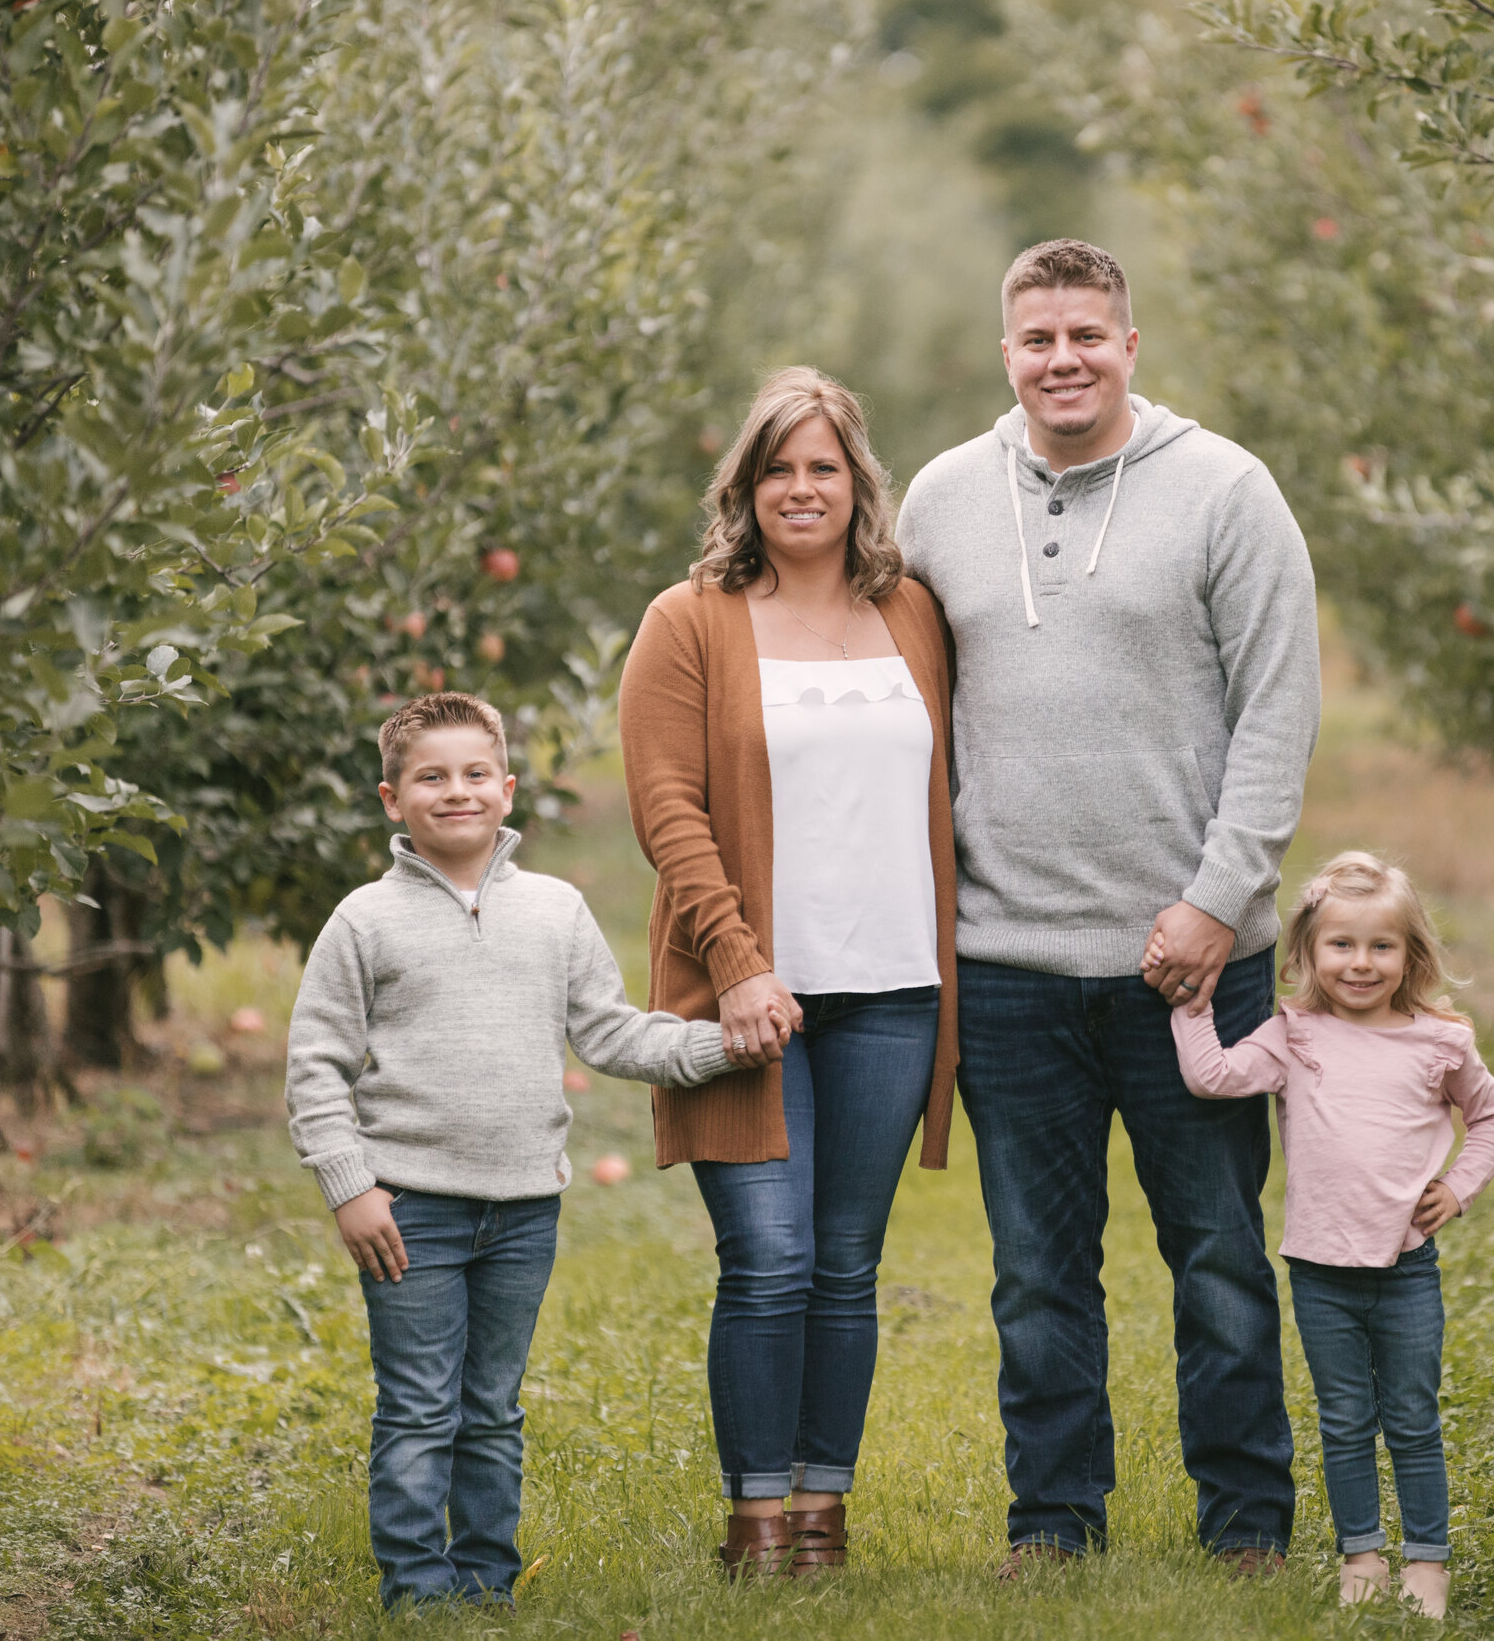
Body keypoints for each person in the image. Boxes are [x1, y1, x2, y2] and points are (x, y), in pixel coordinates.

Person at [895, 239, 1322, 1571]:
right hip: (1009, 962)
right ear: (1006, 350)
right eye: (1038, 338)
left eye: (1088, 334)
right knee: (1035, 1272)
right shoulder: (942, 499)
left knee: (1218, 1256)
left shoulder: (1224, 490)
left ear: (1131, 344)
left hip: (1190, 960)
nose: (1063, 359)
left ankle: (1247, 1519)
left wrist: (1216, 898)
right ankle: (1055, 1518)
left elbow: (1278, 710)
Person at [285, 691, 745, 1612]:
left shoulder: (556, 910)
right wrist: (350, 1186)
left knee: (491, 1404)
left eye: (472, 774)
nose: (455, 792)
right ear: (391, 798)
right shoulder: (363, 922)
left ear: (506, 788)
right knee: (419, 1404)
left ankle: (486, 1578)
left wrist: (723, 1044)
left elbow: (612, 1034)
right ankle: (416, 1589)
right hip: (408, 1206)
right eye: (431, 777)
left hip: (525, 1207)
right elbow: (314, 1065)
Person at [618, 366, 960, 1577]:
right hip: (746, 995)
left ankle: (824, 1513)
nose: (800, 489)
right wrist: (739, 962)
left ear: (856, 481)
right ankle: (753, 1518)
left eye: (822, 466)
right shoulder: (691, 617)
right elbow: (667, 805)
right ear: (746, 486)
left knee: (845, 1264)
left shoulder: (911, 610)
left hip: (893, 989)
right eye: (778, 468)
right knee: (766, 1260)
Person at [1165, 851, 1494, 1614]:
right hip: (1320, 1272)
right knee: (1346, 1419)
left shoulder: (1440, 1042)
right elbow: (1215, 1076)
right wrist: (1192, 1010)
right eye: (1341, 945)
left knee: (1413, 1417)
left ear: (1410, 954)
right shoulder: (1295, 1033)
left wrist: (1457, 1187)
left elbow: (1493, 1116)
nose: (1361, 963)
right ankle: (1361, 1553)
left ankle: (1426, 1557)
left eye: (1381, 946)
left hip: (1406, 1268)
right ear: (1309, 953)